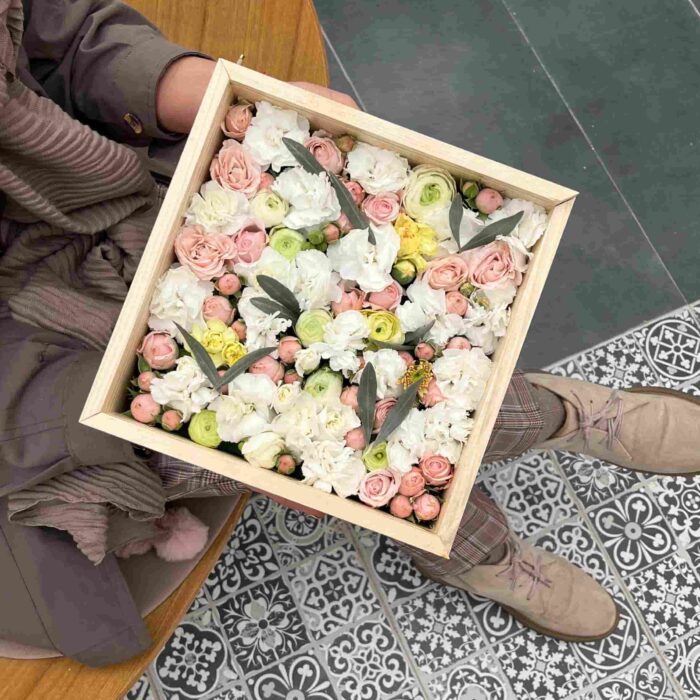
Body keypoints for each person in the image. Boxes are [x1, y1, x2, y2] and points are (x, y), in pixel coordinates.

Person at [1, 0, 698, 665]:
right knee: (310, 439)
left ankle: (537, 435)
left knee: (389, 349)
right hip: (28, 362)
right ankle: (500, 495)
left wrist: (224, 99)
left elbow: (58, 34)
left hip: (103, 193)